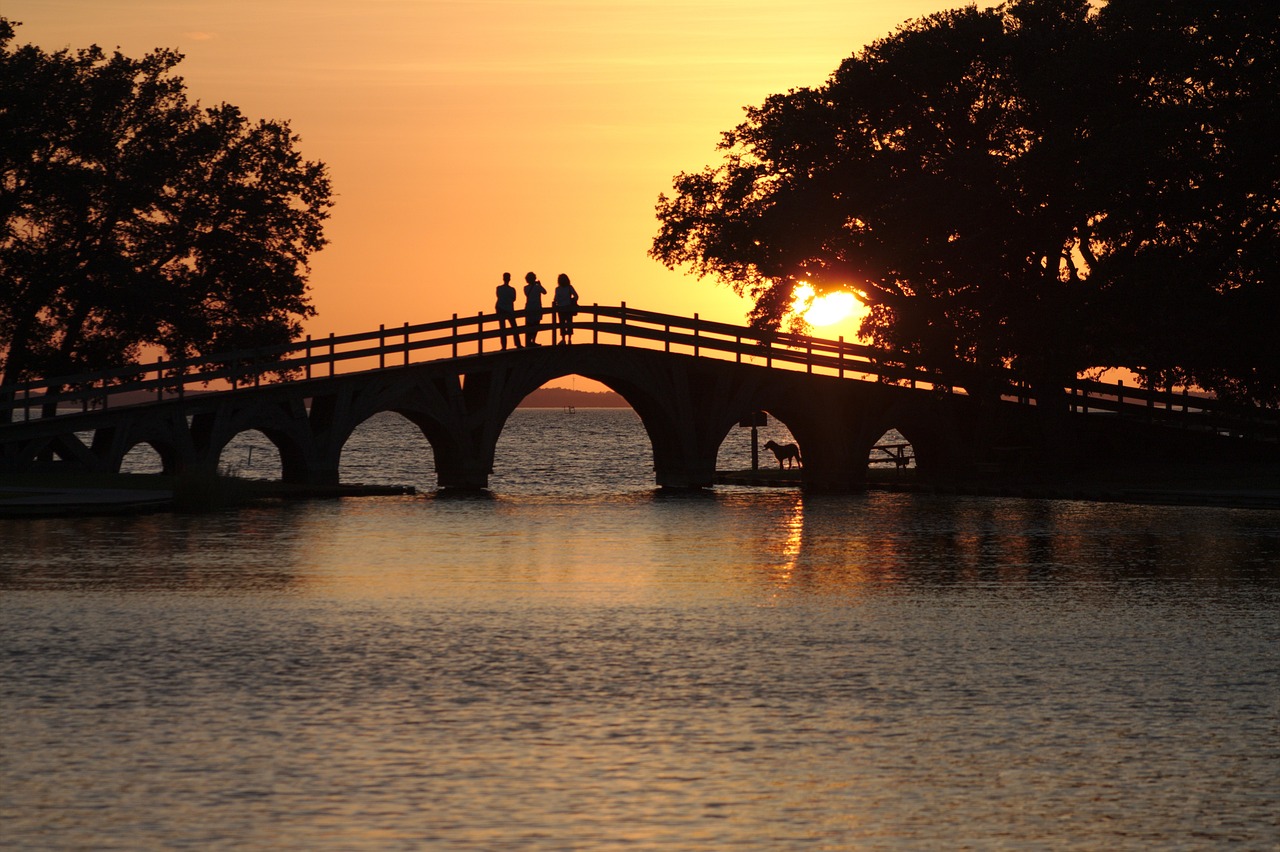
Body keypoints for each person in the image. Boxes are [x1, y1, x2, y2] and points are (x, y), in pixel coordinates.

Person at [495, 272, 521, 350]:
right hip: (509, 310)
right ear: (509, 279)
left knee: (502, 328)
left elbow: (498, 296)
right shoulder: (512, 289)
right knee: (514, 327)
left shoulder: (499, 288)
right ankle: (518, 344)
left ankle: (504, 346)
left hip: (500, 309)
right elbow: (514, 299)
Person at [553, 273, 579, 344]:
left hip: (561, 309)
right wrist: (572, 300)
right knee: (569, 323)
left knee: (562, 324)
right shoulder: (570, 287)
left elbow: (555, 299)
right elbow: (576, 296)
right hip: (568, 308)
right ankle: (569, 339)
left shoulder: (557, 289)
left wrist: (556, 302)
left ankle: (563, 339)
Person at [523, 272, 546, 346]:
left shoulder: (525, 288)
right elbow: (545, 292)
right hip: (537, 308)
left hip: (529, 307)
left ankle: (529, 341)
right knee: (536, 325)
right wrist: (539, 284)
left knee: (529, 325)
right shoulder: (538, 287)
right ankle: (533, 341)